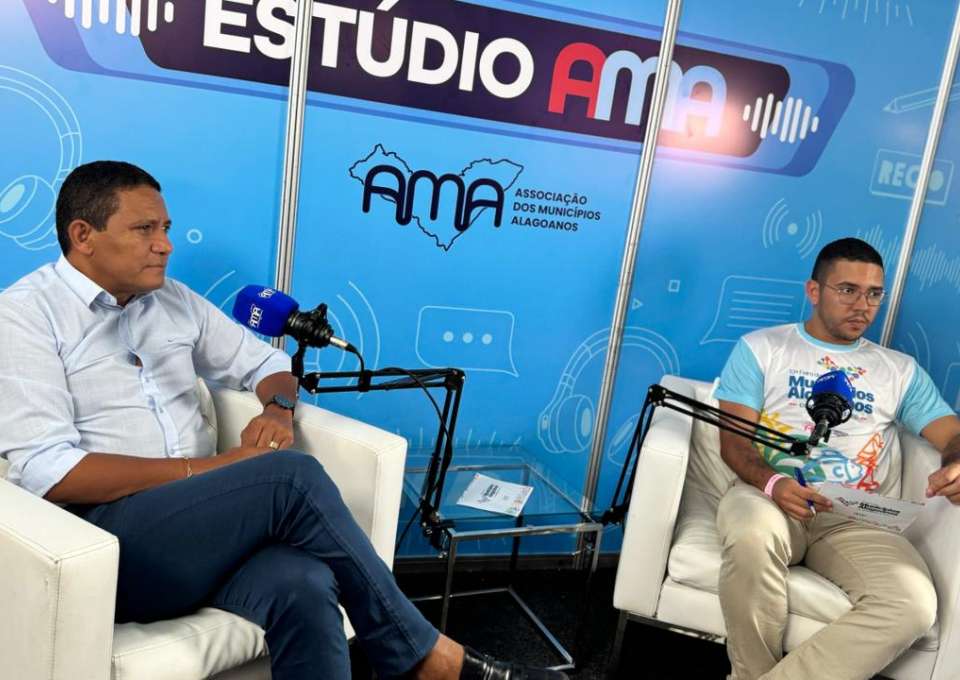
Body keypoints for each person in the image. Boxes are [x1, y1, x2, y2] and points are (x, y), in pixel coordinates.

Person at [0, 160, 566, 680]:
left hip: (198, 530)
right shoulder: (24, 315)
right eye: (144, 229)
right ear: (83, 235)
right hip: (109, 545)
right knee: (291, 477)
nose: (165, 244)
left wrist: (277, 408)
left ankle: (417, 657)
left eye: (166, 228)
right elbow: (52, 472)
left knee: (305, 583)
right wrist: (216, 469)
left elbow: (267, 363)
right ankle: (426, 660)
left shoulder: (172, 300)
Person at [713, 237, 960, 680]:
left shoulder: (899, 370)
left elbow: (953, 434)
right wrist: (773, 483)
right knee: (752, 538)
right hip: (768, 496)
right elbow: (734, 442)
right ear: (814, 290)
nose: (862, 305)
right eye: (848, 290)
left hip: (852, 518)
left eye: (874, 294)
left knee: (913, 605)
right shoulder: (762, 348)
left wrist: (957, 463)